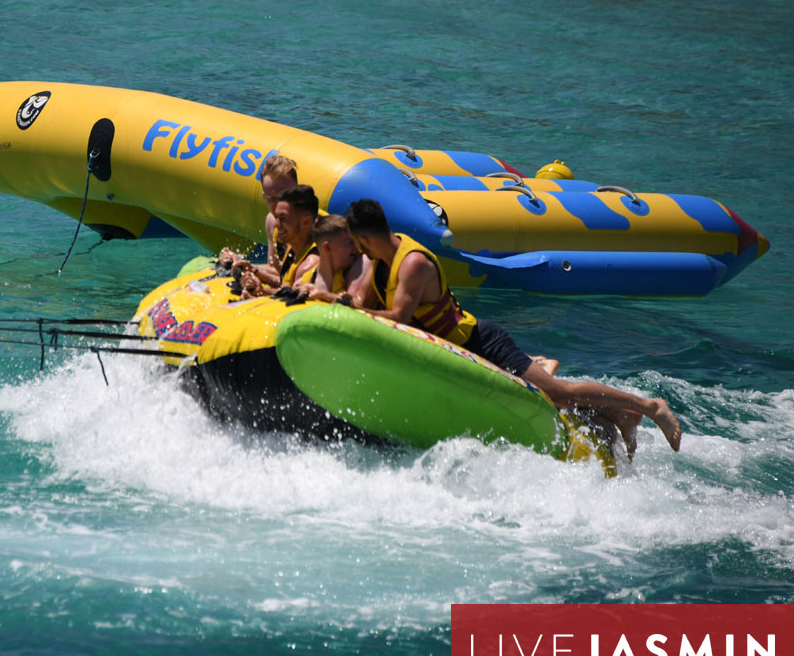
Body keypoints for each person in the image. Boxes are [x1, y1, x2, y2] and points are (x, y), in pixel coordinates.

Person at [344, 198, 682, 454]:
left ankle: (648, 406)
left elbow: (399, 319)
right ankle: (619, 415)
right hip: (457, 350)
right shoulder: (381, 262)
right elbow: (361, 303)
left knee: (558, 395)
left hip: (481, 343)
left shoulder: (412, 263)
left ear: (362, 239)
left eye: (356, 244)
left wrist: (353, 310)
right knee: (551, 396)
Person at [218, 154, 298, 276]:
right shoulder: (272, 222)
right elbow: (276, 271)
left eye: (285, 196)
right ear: (264, 197)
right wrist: (240, 263)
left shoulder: (313, 227)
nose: (279, 205)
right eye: (272, 198)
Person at [238, 184, 321, 297]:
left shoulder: (311, 264)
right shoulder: (294, 249)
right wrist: (254, 271)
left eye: (283, 219)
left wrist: (262, 292)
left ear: (306, 222)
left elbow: (294, 301)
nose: (276, 224)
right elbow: (286, 285)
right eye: (276, 217)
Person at [295, 214, 368, 304]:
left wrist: (324, 295)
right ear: (327, 247)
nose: (357, 247)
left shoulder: (360, 265)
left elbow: (356, 304)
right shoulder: (304, 280)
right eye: (350, 243)